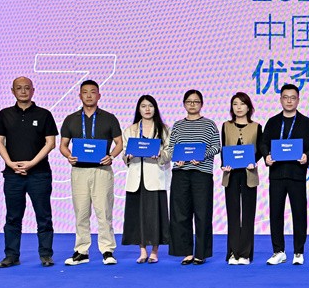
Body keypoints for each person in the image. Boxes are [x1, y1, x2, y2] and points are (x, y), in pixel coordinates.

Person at [0, 77, 58, 268]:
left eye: (27, 88)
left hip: (39, 174)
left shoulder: (44, 114)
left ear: (33, 90)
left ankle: (46, 255)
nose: (23, 91)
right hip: (12, 175)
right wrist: (10, 163)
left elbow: (51, 143)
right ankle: (11, 255)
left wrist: (31, 164)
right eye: (19, 88)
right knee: (13, 217)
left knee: (43, 216)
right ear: (12, 91)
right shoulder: (4, 114)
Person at [59, 80, 123, 266]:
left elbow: (119, 143)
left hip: (102, 171)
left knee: (104, 212)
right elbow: (63, 145)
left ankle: (107, 250)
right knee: (81, 212)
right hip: (79, 171)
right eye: (85, 92)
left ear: (99, 95)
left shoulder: (109, 118)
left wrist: (111, 156)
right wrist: (69, 156)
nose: (89, 95)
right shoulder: (70, 119)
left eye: (93, 92)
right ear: (79, 95)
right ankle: (81, 251)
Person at [260, 83, 309, 265]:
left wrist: (307, 156)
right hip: (277, 174)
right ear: (280, 100)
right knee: (276, 213)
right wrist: (266, 156)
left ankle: (299, 251)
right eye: (285, 97)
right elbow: (263, 143)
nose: (289, 101)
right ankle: (278, 251)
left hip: (297, 174)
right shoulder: (272, 122)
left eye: (293, 98)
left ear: (298, 100)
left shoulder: (306, 122)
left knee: (299, 213)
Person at [166, 89, 220, 265]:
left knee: (202, 213)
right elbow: (171, 147)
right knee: (181, 214)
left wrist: (203, 155)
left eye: (196, 102)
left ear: (201, 104)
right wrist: (177, 157)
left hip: (202, 174)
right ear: (184, 104)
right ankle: (186, 252)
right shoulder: (178, 125)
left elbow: (217, 146)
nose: (192, 104)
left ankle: (201, 253)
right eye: (189, 101)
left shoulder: (210, 125)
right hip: (181, 173)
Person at [122, 95, 171, 264]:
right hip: (136, 178)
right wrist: (128, 156)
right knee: (137, 216)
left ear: (155, 108)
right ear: (139, 109)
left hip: (155, 177)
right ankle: (142, 250)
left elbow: (169, 152)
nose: (147, 109)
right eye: (143, 106)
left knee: (155, 216)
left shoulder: (164, 129)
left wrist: (160, 154)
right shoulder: (131, 130)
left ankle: (155, 251)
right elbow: (124, 154)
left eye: (150, 106)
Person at [221, 92, 262, 265]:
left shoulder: (256, 126)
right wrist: (224, 165)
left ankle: (245, 253)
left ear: (249, 107)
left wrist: (254, 161)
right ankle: (233, 252)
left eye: (242, 104)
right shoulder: (226, 125)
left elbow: (260, 149)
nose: (239, 107)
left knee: (248, 214)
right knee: (233, 214)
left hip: (249, 174)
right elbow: (224, 148)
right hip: (231, 174)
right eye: (235, 104)